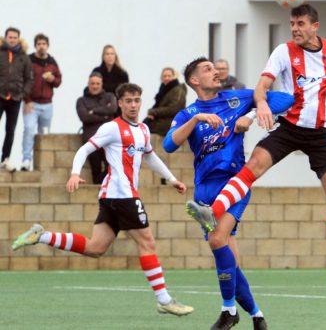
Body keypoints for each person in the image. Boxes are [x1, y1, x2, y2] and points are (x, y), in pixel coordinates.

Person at [187, 4, 326, 288]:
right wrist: (261, 106)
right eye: (292, 23)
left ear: (314, 26)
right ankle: (213, 212)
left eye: (300, 23)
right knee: (252, 167)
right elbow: (262, 85)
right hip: (290, 128)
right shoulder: (283, 52)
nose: (295, 28)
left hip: (322, 132)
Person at [12, 83, 193, 316]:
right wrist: (75, 173)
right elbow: (84, 150)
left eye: (137, 100)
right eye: (128, 101)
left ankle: (41, 235)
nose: (133, 105)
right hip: (122, 195)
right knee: (147, 242)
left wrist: (171, 179)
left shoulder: (143, 130)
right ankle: (164, 299)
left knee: (95, 247)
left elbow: (150, 156)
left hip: (112, 197)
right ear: (119, 103)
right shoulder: (112, 128)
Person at [164, 57, 293, 330]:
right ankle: (257, 316)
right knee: (228, 260)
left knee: (217, 239)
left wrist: (252, 113)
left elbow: (285, 99)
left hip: (234, 183)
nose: (216, 71)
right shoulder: (189, 113)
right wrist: (198, 118)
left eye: (216, 67)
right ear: (195, 81)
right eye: (208, 69)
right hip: (204, 191)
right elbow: (168, 144)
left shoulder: (236, 99)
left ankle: (228, 311)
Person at [21, 33, 62, 171]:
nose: (41, 46)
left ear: (47, 46)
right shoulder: (29, 60)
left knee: (44, 134)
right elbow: (22, 80)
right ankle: (26, 160)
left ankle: (42, 163)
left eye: (44, 44)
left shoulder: (52, 62)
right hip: (31, 104)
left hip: (47, 105)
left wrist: (52, 80)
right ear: (35, 45)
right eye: (39, 44)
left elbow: (58, 81)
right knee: (28, 129)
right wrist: (26, 100)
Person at [0, 27, 33, 172]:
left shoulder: (24, 58)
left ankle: (5, 159)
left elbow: (29, 79)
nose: (12, 39)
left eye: (15, 37)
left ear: (18, 39)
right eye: (10, 37)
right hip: (0, 96)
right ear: (5, 38)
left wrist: (22, 94)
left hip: (15, 99)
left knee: (10, 130)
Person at [76, 72, 117, 184]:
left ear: (101, 84)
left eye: (97, 83)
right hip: (91, 139)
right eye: (92, 83)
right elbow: (85, 117)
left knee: (112, 167)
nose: (95, 86)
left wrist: (93, 111)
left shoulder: (110, 96)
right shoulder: (81, 100)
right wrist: (105, 115)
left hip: (109, 139)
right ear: (88, 84)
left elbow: (113, 109)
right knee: (96, 169)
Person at [143, 67, 187, 137]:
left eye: (169, 76)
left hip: (172, 122)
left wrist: (153, 112)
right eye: (164, 76)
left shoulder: (178, 90)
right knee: (144, 125)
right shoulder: (164, 89)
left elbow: (174, 109)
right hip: (163, 120)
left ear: (174, 77)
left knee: (144, 128)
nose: (166, 78)